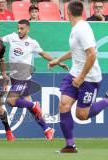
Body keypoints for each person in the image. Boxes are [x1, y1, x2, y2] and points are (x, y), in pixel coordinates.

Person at [48, 0, 108, 153]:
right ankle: (70, 145)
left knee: (82, 115)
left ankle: (107, 99)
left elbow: (92, 55)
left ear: (68, 12)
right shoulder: (76, 28)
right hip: (75, 73)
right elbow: (76, 51)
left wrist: (81, 77)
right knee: (64, 105)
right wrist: (58, 60)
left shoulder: (82, 29)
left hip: (89, 78)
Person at [2, 19, 68, 141]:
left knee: (11, 101)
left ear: (28, 29)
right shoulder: (12, 37)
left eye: (22, 28)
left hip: (23, 78)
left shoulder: (32, 43)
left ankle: (34, 104)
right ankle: (47, 129)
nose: (19, 30)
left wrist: (58, 62)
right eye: (18, 28)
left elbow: (43, 54)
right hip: (14, 78)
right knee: (31, 109)